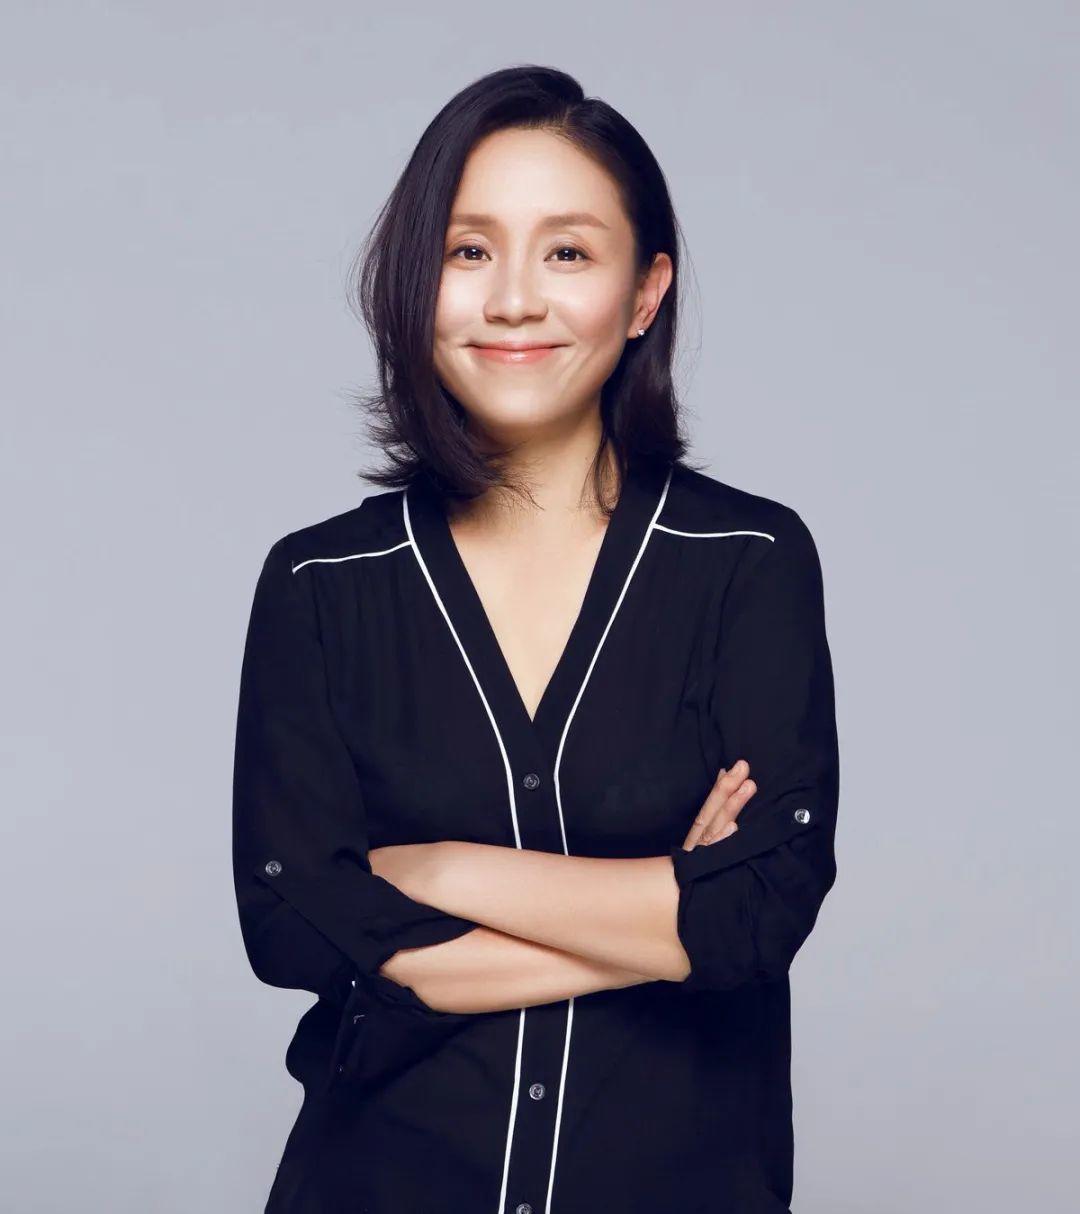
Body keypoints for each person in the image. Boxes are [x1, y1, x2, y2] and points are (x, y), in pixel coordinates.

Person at [232, 64, 840, 1214]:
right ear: (414, 282)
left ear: (645, 290)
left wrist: (439, 873)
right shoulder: (322, 584)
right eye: (469, 250)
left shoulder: (746, 562)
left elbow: (763, 908)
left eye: (567, 251)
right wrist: (667, 914)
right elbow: (292, 924)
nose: (513, 299)